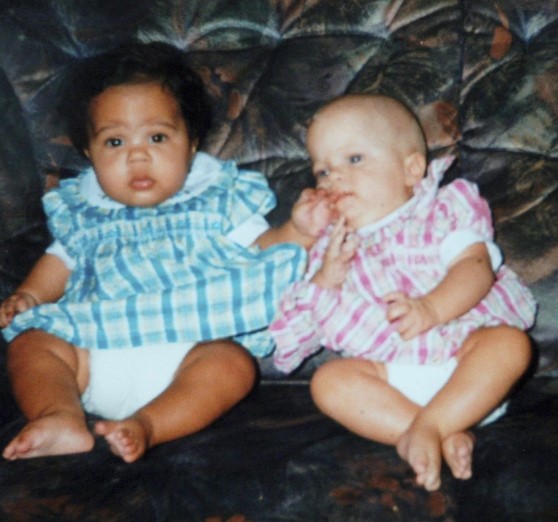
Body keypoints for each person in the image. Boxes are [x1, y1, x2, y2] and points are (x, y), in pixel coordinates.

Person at [0, 42, 333, 463]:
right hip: (93, 346)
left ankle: (148, 425)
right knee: (30, 344)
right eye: (115, 142)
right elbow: (59, 261)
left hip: (186, 351)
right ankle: (59, 415)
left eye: (157, 137)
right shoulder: (83, 212)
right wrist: (28, 296)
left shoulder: (216, 200)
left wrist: (298, 230)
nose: (138, 154)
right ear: (88, 153)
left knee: (232, 364)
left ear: (190, 143)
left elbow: (262, 248)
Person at [270, 94, 537, 491]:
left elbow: (474, 267)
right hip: (391, 385)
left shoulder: (442, 210)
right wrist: (327, 277)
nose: (332, 178)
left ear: (412, 169)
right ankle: (435, 432)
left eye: (354, 159)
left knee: (509, 344)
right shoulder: (328, 248)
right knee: (328, 381)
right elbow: (291, 343)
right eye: (321, 171)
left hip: (468, 370)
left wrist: (431, 309)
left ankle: (431, 426)